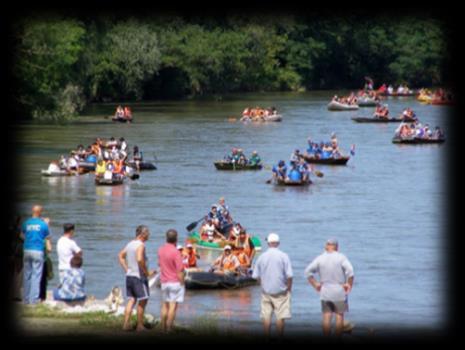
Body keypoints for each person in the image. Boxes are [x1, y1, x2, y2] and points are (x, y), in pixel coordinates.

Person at [304, 238, 354, 337]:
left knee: (326, 316)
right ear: (337, 247)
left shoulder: (320, 258)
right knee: (339, 316)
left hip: (325, 290)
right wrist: (349, 285)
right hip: (339, 290)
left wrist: (315, 284)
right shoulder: (341, 257)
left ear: (326, 246)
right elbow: (351, 272)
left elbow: (307, 272)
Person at [252, 233, 293, 337]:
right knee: (280, 316)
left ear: (268, 243)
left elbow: (255, 276)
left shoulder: (261, 257)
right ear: (278, 243)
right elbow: (290, 275)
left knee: (266, 317)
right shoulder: (284, 256)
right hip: (281, 292)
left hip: (266, 291)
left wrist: (261, 283)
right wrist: (289, 288)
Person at [118, 225, 155, 331]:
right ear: (143, 234)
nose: (149, 235)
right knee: (143, 300)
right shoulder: (141, 245)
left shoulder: (130, 243)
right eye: (148, 233)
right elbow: (139, 259)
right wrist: (146, 272)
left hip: (129, 276)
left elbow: (120, 255)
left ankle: (126, 324)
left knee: (131, 299)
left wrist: (127, 269)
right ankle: (139, 326)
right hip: (138, 277)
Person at [22, 205, 51, 304]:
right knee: (36, 276)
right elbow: (47, 237)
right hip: (38, 250)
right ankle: (33, 300)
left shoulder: (26, 223)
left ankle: (25, 299)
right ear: (40, 213)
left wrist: (28, 239)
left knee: (27, 275)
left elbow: (21, 235)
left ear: (32, 211)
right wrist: (46, 224)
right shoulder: (43, 225)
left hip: (27, 250)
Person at [158, 229, 185, 333]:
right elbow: (180, 270)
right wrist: (182, 283)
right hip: (174, 282)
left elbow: (159, 264)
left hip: (164, 281)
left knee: (165, 305)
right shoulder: (176, 252)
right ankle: (169, 328)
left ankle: (162, 327)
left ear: (166, 237)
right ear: (176, 238)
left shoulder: (160, 250)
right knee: (173, 305)